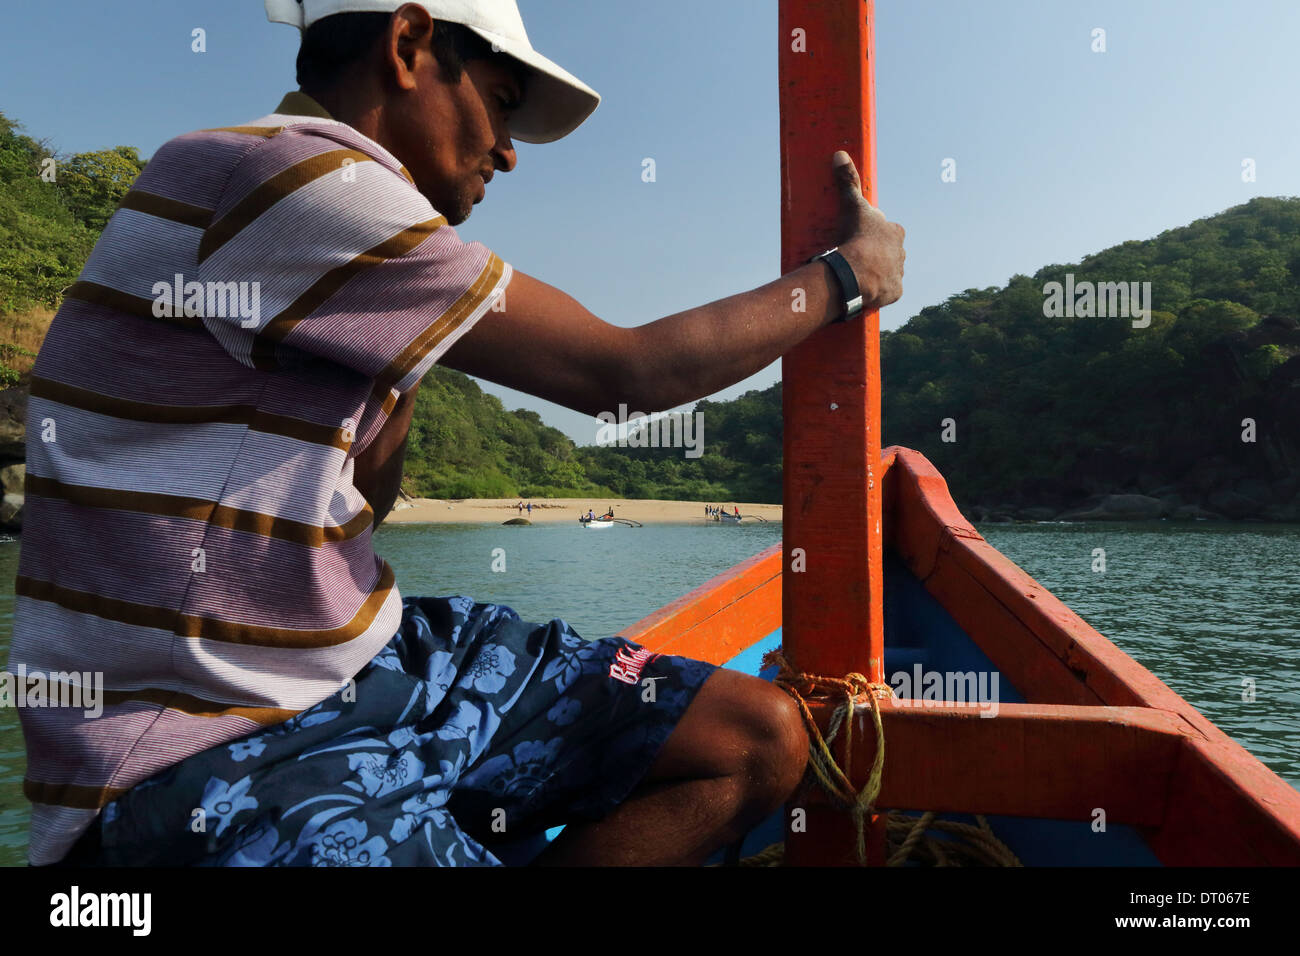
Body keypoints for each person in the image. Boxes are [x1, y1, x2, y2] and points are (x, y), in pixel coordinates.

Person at [10, 0, 905, 868]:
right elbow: (626, 375)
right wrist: (846, 276)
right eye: (501, 106)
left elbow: (372, 502)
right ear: (407, 46)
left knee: (754, 738)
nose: (508, 155)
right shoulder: (285, 176)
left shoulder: (328, 217)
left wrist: (402, 348)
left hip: (374, 665)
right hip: (201, 749)